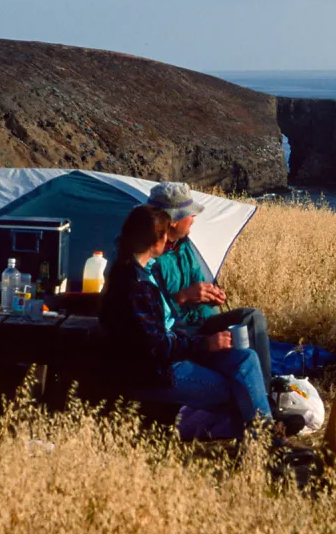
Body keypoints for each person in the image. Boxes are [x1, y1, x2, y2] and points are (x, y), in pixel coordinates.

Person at [100, 204, 274, 435]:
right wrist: (204, 344)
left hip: (174, 352)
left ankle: (265, 433)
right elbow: (155, 345)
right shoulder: (134, 285)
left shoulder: (144, 271)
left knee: (246, 360)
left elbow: (164, 321)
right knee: (240, 387)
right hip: (158, 372)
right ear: (157, 239)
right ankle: (266, 441)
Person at [146, 181, 273, 383]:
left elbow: (198, 282)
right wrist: (183, 297)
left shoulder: (184, 245)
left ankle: (265, 389)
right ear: (173, 221)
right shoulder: (147, 256)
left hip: (200, 322)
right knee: (243, 354)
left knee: (251, 317)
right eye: (190, 214)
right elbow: (151, 313)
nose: (194, 219)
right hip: (178, 334)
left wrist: (210, 297)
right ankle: (255, 393)